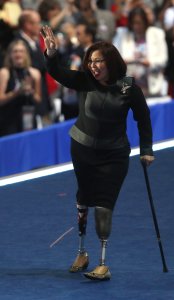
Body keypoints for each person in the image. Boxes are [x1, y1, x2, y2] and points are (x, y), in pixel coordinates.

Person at [41, 25, 155, 281]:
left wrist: (146, 149)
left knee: (104, 204)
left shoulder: (128, 87)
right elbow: (56, 72)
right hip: (82, 149)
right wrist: (51, 54)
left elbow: (143, 118)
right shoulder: (84, 80)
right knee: (83, 198)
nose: (93, 66)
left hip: (114, 155)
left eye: (98, 61)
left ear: (111, 62)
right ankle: (82, 252)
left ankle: (103, 263)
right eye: (90, 61)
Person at [113, 6, 168, 97]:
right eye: (133, 23)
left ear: (145, 21)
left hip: (152, 86)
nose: (136, 26)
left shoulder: (157, 33)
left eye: (139, 23)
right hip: (129, 87)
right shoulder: (122, 34)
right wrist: (123, 62)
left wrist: (150, 63)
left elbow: (163, 60)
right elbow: (114, 58)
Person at [0, 39, 41, 136]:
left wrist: (31, 91)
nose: (18, 54)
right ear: (10, 55)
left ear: (26, 54)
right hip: (9, 121)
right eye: (15, 51)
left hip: (29, 118)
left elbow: (39, 99)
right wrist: (17, 92)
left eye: (21, 51)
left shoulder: (34, 73)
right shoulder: (4, 73)